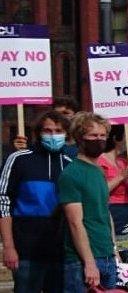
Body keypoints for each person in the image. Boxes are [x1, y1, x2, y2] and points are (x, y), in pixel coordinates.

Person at [0, 110, 72, 292]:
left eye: (58, 131)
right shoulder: (18, 159)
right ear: (39, 133)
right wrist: (8, 247)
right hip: (26, 250)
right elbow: (3, 202)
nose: (53, 135)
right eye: (48, 131)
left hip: (61, 251)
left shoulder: (70, 164)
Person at [59, 112, 117, 292]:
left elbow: (104, 212)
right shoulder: (71, 174)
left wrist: (114, 251)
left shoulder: (98, 170)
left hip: (107, 254)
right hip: (83, 260)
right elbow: (75, 223)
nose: (99, 140)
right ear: (80, 138)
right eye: (93, 135)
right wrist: (89, 262)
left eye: (102, 135)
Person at [97, 124, 128, 268]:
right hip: (111, 211)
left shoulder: (123, 162)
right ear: (117, 138)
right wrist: (121, 176)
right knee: (116, 253)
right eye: (127, 137)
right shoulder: (100, 161)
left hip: (127, 212)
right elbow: (100, 190)